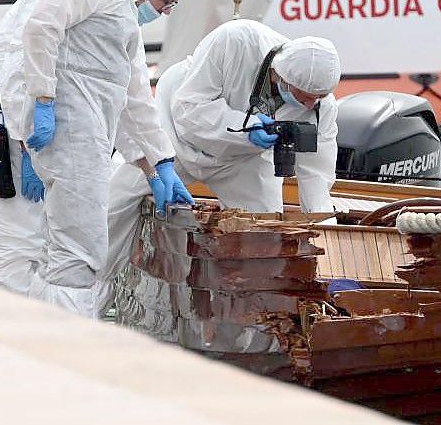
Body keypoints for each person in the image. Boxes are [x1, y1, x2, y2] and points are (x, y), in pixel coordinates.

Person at [0, 0, 193, 316]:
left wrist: (157, 164)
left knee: (55, 252)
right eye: (165, 1)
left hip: (35, 127)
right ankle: (27, 348)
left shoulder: (119, 10)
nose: (165, 10)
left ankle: (43, 340)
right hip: (3, 122)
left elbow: (130, 97)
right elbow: (25, 57)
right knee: (22, 252)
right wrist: (26, 136)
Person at [93, 19, 341, 316]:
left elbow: (317, 179)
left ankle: (255, 318)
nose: (310, 103)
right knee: (114, 202)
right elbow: (188, 108)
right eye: (303, 95)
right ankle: (86, 297)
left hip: (243, 160)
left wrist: (329, 254)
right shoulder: (235, 40)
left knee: (262, 235)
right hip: (174, 136)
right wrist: (243, 126)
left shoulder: (322, 107)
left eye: (318, 98)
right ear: (280, 74)